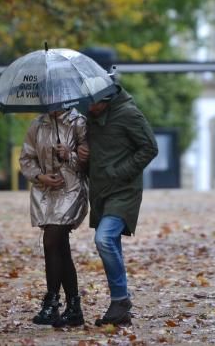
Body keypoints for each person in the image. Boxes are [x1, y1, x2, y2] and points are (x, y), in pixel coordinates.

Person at [76, 78, 158, 327]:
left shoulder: (129, 114)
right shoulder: (89, 118)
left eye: (93, 103)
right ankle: (119, 306)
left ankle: (121, 300)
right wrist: (82, 155)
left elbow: (149, 148)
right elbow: (93, 155)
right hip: (101, 191)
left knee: (104, 238)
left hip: (124, 190)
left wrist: (119, 171)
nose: (89, 108)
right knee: (111, 242)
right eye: (86, 103)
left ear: (107, 97)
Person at [18, 108, 88, 328]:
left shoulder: (79, 123)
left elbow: (90, 161)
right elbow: (26, 158)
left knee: (50, 241)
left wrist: (70, 155)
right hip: (45, 191)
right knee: (59, 247)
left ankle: (51, 301)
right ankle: (73, 307)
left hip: (71, 190)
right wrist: (40, 177)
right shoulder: (37, 124)